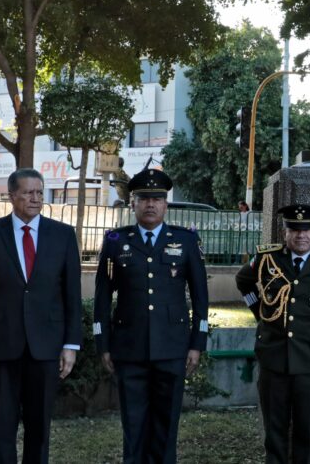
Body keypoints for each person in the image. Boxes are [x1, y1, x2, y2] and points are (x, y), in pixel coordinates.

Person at [0, 168, 82, 464]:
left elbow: (72, 295)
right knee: (2, 427)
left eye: (40, 192)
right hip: (2, 345)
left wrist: (71, 344)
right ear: (12, 196)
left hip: (46, 347)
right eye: (28, 192)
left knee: (39, 427)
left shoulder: (63, 235)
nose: (35, 198)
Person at [94, 167, 209, 464]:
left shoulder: (185, 241)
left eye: (157, 198)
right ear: (132, 203)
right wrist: (103, 344)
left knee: (166, 426)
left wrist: (198, 343)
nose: (150, 204)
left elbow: (200, 297)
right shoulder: (116, 241)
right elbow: (102, 297)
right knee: (133, 425)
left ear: (166, 204)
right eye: (144, 198)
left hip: (172, 348)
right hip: (129, 348)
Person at [235, 204, 310, 464]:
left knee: (305, 429)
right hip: (273, 357)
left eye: (307, 229)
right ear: (285, 231)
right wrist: (260, 311)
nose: (301, 235)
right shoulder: (267, 259)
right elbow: (243, 281)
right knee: (274, 430)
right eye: (294, 229)